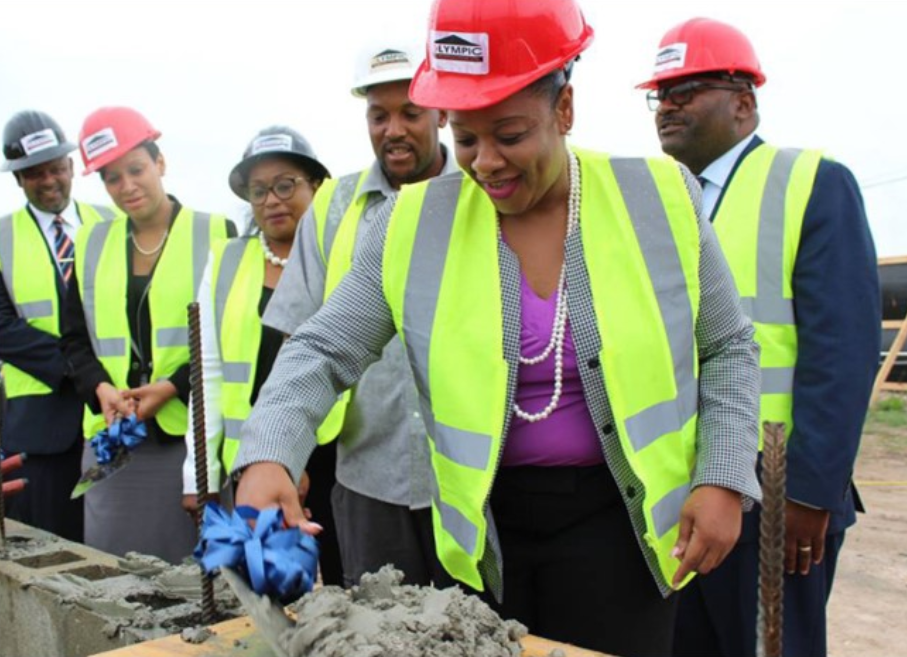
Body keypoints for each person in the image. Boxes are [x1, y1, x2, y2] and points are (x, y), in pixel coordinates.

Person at [232, 1, 763, 655]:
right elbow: (321, 346)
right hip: (484, 543)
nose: (485, 163)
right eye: (465, 138)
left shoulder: (658, 197)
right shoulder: (409, 223)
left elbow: (729, 344)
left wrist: (724, 475)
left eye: (510, 135)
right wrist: (268, 453)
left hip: (622, 531)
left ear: (563, 109)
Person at [638, 18, 881, 657]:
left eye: (688, 89)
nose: (669, 106)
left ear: (744, 101)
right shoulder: (661, 199)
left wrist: (809, 491)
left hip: (774, 485)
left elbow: (844, 351)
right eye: (661, 94)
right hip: (684, 486)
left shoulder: (810, 182)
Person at [261, 38, 459, 588]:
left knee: (472, 633)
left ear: (441, 111)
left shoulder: (479, 193)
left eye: (409, 113)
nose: (392, 129)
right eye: (379, 115)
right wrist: (285, 452)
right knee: (376, 629)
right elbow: (297, 337)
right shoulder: (333, 205)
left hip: (467, 480)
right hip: (368, 474)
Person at [61, 107, 234, 564]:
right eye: (112, 179)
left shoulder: (216, 233)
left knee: (188, 567)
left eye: (136, 169)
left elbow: (229, 335)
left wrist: (173, 388)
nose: (128, 187)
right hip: (114, 434)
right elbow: (74, 340)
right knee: (112, 566)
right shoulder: (91, 243)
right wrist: (100, 389)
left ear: (160, 163)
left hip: (188, 432)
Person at [181, 125, 338, 580]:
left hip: (331, 460)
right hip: (248, 462)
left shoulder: (341, 256)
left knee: (339, 589)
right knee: (262, 588)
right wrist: (199, 474)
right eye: (258, 190)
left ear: (316, 187)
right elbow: (207, 370)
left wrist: (296, 459)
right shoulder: (227, 260)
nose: (272, 200)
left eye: (286, 184)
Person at [0, 110, 117, 542]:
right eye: (35, 173)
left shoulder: (112, 224)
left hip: (112, 413)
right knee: (52, 546)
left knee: (118, 547)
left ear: (72, 166)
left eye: (56, 168)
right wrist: (81, 368)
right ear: (18, 179)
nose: (49, 180)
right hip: (41, 421)